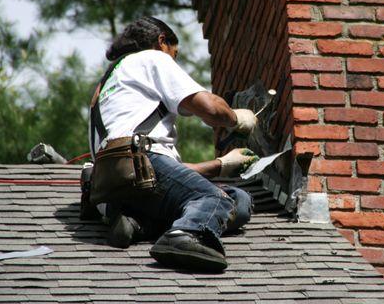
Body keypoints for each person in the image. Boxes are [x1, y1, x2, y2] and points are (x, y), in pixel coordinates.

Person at [88, 16, 258, 272]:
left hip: (114, 183)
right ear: (161, 42)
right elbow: (210, 108)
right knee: (216, 199)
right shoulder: (152, 58)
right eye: (174, 54)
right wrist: (237, 119)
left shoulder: (102, 88)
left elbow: (169, 176)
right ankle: (182, 235)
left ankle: (136, 223)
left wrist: (221, 165)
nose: (173, 61)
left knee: (239, 201)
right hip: (143, 164)